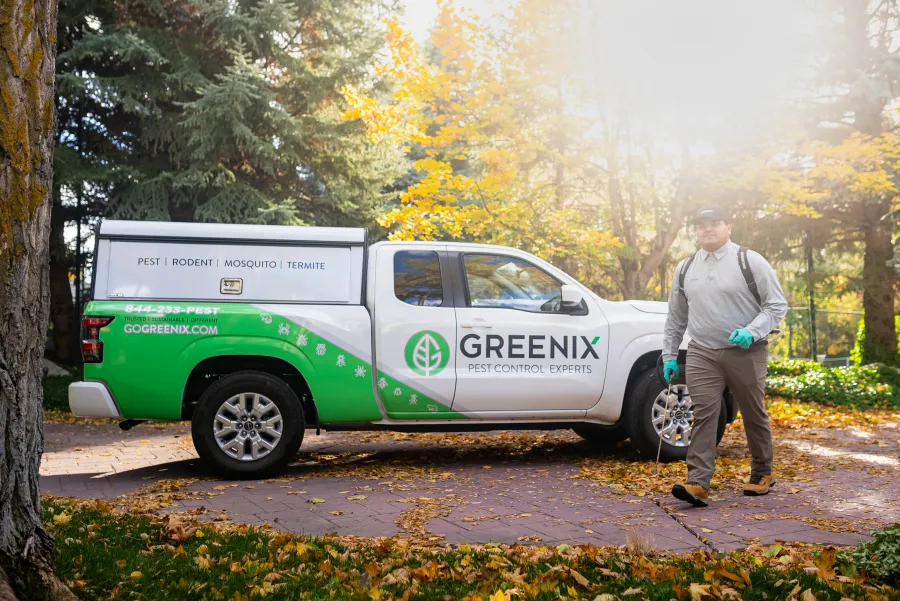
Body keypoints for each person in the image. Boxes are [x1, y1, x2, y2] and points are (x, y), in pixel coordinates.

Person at [661, 206, 788, 507]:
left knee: (752, 412)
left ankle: (762, 473)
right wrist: (669, 356)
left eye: (715, 223)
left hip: (746, 351)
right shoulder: (686, 267)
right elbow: (676, 317)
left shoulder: (749, 261)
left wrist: (752, 331)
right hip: (702, 351)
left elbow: (776, 305)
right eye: (701, 225)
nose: (708, 229)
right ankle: (698, 483)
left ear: (729, 226)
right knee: (704, 413)